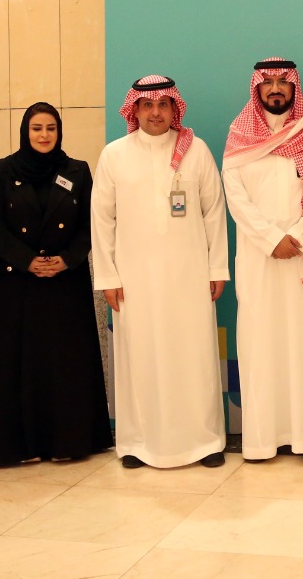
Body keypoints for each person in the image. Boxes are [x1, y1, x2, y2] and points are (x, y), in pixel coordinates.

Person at [92, 75, 230, 470]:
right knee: (141, 357)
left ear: (174, 109)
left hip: (190, 275)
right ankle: (138, 443)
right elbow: (102, 220)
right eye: (148, 105)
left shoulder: (196, 150)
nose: (156, 113)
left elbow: (214, 212)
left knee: (194, 356)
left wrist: (217, 268)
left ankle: (204, 442)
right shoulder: (115, 155)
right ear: (134, 110)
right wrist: (108, 277)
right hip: (135, 280)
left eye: (163, 105)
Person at [223, 58, 303, 465]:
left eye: (283, 82)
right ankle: (263, 441)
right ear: (257, 88)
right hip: (259, 259)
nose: (275, 88)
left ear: (295, 88)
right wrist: (271, 239)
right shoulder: (239, 137)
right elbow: (235, 198)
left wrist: (299, 236)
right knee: (261, 344)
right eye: (269, 82)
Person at [0, 102, 113, 465]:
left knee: (62, 363)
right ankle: (17, 445)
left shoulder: (77, 170)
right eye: (37, 128)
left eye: (51, 128)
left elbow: (90, 224)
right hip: (13, 283)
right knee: (15, 363)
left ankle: (67, 442)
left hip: (63, 281)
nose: (44, 135)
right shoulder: (2, 170)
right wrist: (26, 261)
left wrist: (67, 259)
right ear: (25, 131)